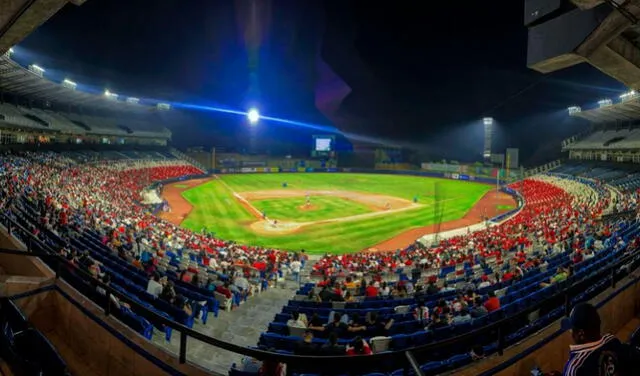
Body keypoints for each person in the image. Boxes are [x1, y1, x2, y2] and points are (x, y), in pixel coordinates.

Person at [562, 303, 640, 376]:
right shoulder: (611, 340)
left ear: (581, 334)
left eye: (571, 329)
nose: (570, 332)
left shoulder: (575, 368)